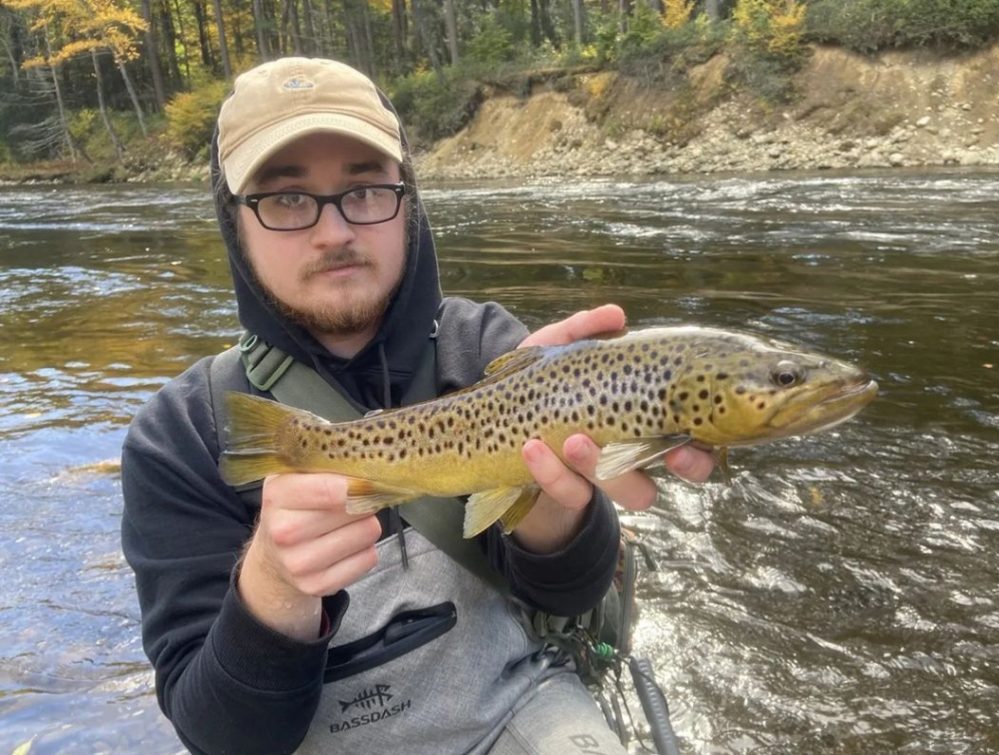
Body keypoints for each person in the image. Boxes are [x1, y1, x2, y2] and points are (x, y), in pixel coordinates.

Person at [121, 56, 715, 755]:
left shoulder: (492, 352)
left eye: (366, 189)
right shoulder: (181, 434)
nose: (334, 231)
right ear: (235, 226)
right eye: (286, 199)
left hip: (514, 710)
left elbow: (568, 598)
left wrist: (555, 512)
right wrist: (275, 588)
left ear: (409, 200)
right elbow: (219, 735)